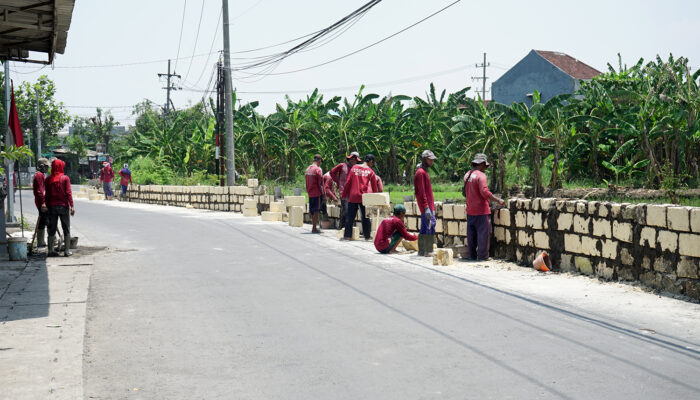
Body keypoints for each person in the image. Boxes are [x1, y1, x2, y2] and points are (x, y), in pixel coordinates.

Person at [462, 153, 505, 261]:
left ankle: (472, 255)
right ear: (481, 163)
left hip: (470, 210)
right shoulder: (481, 176)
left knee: (471, 234)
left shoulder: (467, 175)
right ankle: (482, 256)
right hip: (481, 210)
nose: (485, 168)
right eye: (484, 165)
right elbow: (484, 192)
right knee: (483, 234)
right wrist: (498, 200)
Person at [341, 154, 379, 240]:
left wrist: (344, 195)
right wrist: (375, 199)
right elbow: (374, 188)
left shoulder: (354, 168)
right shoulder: (371, 172)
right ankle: (367, 236)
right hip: (364, 197)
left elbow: (348, 183)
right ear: (371, 161)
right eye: (372, 163)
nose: (372, 165)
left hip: (353, 196)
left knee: (350, 217)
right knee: (365, 217)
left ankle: (347, 236)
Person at [45, 159, 75, 257]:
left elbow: (47, 195)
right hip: (63, 206)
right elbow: (68, 193)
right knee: (66, 228)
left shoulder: (48, 179)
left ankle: (50, 250)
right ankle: (66, 251)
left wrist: (46, 205)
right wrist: (72, 206)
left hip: (52, 207)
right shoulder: (65, 178)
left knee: (52, 228)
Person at [414, 150, 437, 256]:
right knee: (430, 226)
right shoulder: (421, 173)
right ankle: (427, 250)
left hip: (427, 205)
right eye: (430, 159)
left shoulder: (423, 172)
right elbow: (421, 192)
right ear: (424, 159)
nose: (432, 161)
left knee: (425, 226)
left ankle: (422, 250)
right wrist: (426, 207)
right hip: (426, 205)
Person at [330, 152, 361, 229]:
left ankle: (347, 227)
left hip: (354, 192)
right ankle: (343, 227)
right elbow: (332, 172)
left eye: (355, 159)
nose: (353, 160)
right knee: (346, 210)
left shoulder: (358, 168)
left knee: (352, 210)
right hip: (344, 191)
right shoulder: (342, 166)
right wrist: (338, 182)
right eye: (352, 158)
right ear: (349, 158)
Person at [32, 158, 50, 248]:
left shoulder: (40, 175)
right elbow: (40, 190)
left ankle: (41, 241)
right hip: (41, 202)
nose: (47, 169)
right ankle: (42, 241)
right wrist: (43, 202)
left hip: (41, 201)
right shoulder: (39, 175)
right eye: (46, 167)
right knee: (46, 220)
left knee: (43, 220)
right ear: (41, 166)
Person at [305, 154, 324, 233]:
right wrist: (323, 194)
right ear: (319, 161)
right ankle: (314, 228)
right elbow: (320, 183)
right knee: (316, 210)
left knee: (312, 210)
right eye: (320, 162)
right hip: (317, 193)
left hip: (310, 192)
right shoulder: (318, 169)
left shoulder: (308, 169)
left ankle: (314, 226)